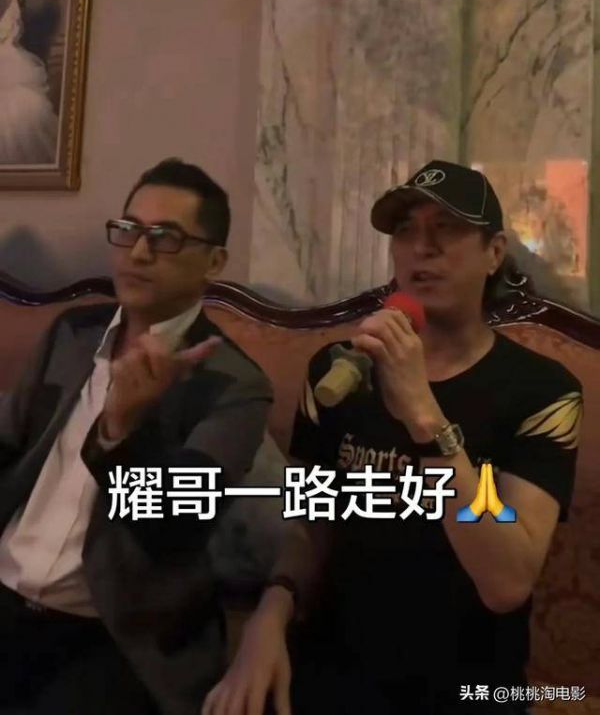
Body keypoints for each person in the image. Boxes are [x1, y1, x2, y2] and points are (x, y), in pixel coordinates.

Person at [203, 161, 583, 715]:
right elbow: (311, 523)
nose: (421, 247)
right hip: (334, 674)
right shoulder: (338, 373)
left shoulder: (543, 392)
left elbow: (506, 581)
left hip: (468, 687)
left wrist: (425, 417)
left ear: (494, 252)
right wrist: (270, 614)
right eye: (406, 230)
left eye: (446, 228)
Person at [0, 158, 273, 714]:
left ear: (214, 261)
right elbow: (7, 449)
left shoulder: (236, 385)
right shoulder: (72, 334)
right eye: (128, 230)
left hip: (112, 635)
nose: (139, 252)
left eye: (166, 238)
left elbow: (174, 528)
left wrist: (122, 428)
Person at [0, 0, 59, 166]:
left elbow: (14, 33)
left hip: (8, 51)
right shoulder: (9, 10)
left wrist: (4, 39)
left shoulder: (16, 11)